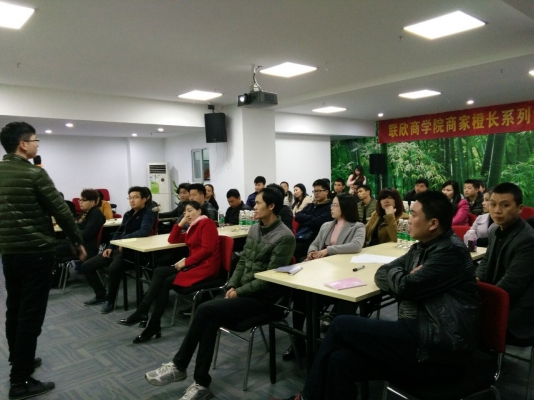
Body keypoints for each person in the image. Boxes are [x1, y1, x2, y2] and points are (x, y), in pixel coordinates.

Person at [275, 191, 479, 400]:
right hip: (418, 330)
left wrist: (404, 278)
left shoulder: (450, 251)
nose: (408, 220)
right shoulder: (421, 247)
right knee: (340, 359)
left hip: (437, 344)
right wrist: (404, 275)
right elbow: (383, 271)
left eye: (414, 214)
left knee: (340, 325)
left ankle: (306, 398)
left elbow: (404, 287)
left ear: (433, 223)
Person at [144, 187, 296, 400]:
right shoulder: (255, 229)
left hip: (266, 299)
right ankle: (201, 383)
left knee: (205, 310)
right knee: (210, 318)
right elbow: (242, 262)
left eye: (258, 203)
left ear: (271, 206)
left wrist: (239, 291)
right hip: (243, 293)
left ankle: (179, 365)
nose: (254, 206)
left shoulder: (285, 237)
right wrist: (231, 285)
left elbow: (269, 278)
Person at [0, 121, 87, 399]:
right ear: (23, 144)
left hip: (9, 253)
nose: (37, 145)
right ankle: (20, 381)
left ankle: (19, 359)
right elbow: (61, 211)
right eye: (36, 140)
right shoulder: (34, 173)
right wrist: (77, 242)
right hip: (36, 252)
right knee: (31, 315)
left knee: (14, 309)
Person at [118, 201, 221, 343]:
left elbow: (207, 250)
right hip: (195, 265)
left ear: (199, 211)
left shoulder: (207, 223)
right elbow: (172, 239)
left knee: (163, 279)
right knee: (159, 272)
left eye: (190, 210)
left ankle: (146, 316)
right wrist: (181, 222)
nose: (187, 214)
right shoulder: (193, 226)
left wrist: (186, 262)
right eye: (185, 212)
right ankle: (149, 319)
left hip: (206, 267)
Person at [283, 194, 365, 361]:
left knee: (335, 303)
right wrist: (312, 252)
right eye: (332, 205)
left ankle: (329, 346)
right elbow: (315, 242)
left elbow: (356, 246)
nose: (331, 208)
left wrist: (328, 250)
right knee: (299, 296)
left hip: (340, 274)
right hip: (320, 271)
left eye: (335, 205)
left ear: (345, 208)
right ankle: (298, 340)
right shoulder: (327, 225)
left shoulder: (357, 226)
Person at [476, 183, 534, 345]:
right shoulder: (495, 229)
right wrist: (476, 279)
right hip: (499, 296)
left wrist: (480, 299)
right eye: (493, 204)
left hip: (518, 311)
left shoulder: (528, 239)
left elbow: (512, 284)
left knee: (458, 316)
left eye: (505, 205)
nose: (497, 210)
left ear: (520, 208)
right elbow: (486, 261)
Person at [82, 186, 155, 314]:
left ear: (144, 199)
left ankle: (110, 300)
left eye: (136, 197)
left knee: (113, 269)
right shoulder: (128, 214)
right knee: (86, 266)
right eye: (130, 198)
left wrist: (123, 240)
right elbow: (119, 232)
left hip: (134, 252)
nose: (132, 200)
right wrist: (110, 246)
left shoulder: (148, 214)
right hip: (120, 249)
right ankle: (100, 294)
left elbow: (144, 231)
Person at [56, 189, 106, 260]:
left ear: (92, 202)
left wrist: (71, 232)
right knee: (49, 244)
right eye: (79, 200)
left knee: (50, 250)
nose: (80, 202)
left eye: (83, 200)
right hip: (75, 243)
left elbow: (86, 233)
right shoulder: (86, 213)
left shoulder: (96, 214)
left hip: (83, 247)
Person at [294, 179, 333, 262]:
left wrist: (305, 219)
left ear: (326, 192)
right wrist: (312, 217)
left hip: (314, 239)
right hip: (300, 236)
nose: (316, 193)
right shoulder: (311, 205)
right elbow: (298, 216)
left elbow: (318, 222)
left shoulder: (330, 207)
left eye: (318, 191)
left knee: (292, 249)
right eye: (314, 191)